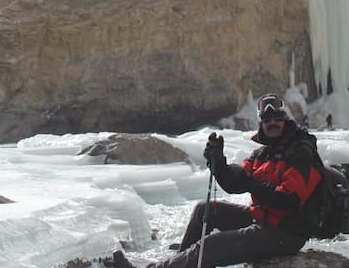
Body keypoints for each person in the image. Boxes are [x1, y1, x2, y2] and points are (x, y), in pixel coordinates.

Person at [105, 93, 323, 268]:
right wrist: (219, 164)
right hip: (264, 219)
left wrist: (251, 184)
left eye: (277, 118)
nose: (272, 122)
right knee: (204, 211)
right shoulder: (263, 154)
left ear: (285, 120)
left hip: (287, 231)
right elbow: (235, 182)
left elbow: (289, 200)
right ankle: (180, 262)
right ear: (261, 123)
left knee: (213, 245)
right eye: (267, 119)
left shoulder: (301, 152)